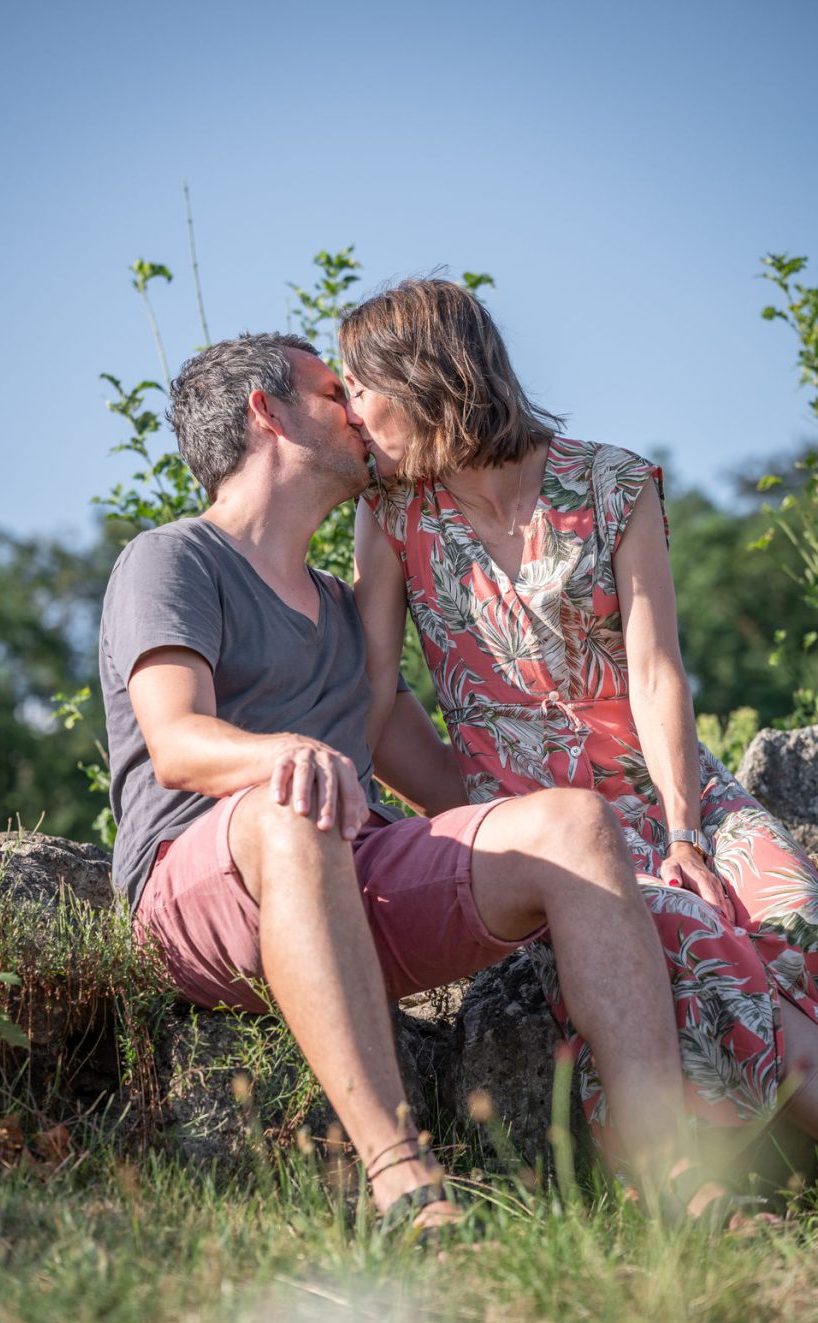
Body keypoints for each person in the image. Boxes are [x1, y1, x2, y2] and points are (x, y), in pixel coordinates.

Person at [100, 331, 712, 1232]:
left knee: (570, 826)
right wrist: (282, 755)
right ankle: (400, 1176)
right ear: (264, 414)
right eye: (329, 393)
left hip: (348, 872)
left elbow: (451, 798)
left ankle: (667, 1171)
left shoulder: (347, 612)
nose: (359, 411)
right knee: (289, 812)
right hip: (197, 885)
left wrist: (594, 857)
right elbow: (178, 740)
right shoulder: (174, 559)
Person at [342, 277, 818, 1150]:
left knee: (790, 909)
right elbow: (375, 689)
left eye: (360, 385)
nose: (351, 409)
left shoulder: (613, 481)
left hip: (674, 792)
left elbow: (656, 670)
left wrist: (684, 834)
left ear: (422, 376)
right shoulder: (390, 513)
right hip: (553, 830)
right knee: (692, 936)